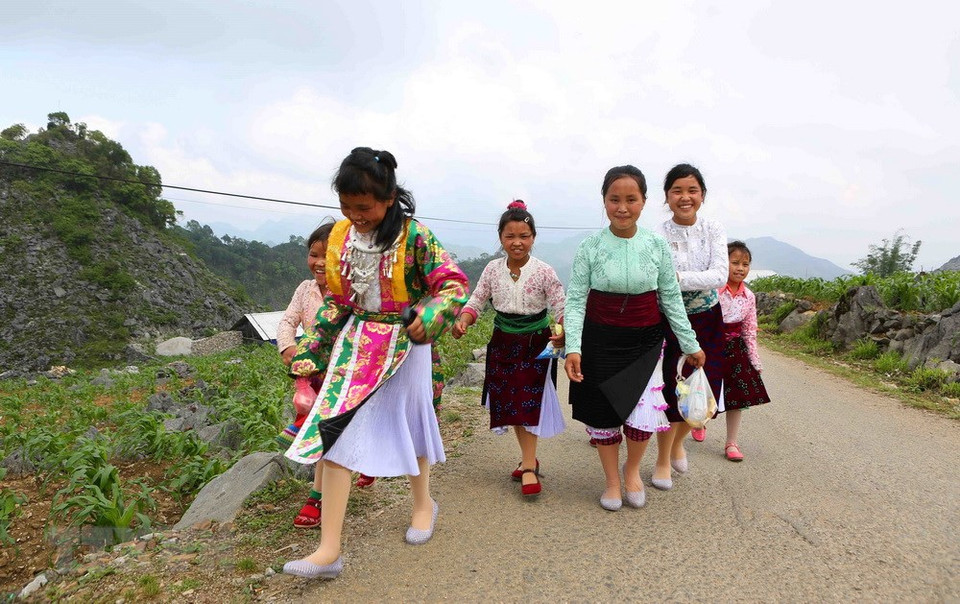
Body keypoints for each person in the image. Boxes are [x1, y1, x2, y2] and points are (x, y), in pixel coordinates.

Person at [281, 147, 469, 579]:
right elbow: (338, 300)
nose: (354, 215)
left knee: (413, 423)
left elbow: (453, 284)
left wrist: (430, 316)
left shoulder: (416, 237)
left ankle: (423, 505)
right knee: (335, 429)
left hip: (406, 344)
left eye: (363, 207)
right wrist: (313, 348)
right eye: (346, 207)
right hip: (358, 345)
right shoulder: (341, 238)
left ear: (388, 199)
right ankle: (329, 551)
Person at [564, 165, 704, 511]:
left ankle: (632, 471)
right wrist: (573, 347)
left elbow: (670, 297)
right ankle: (612, 481)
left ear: (644, 201)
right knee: (604, 414)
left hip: (644, 342)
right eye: (614, 199)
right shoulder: (591, 246)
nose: (622, 207)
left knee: (642, 414)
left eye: (631, 199)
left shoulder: (656, 245)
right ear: (604, 202)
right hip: (599, 341)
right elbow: (576, 298)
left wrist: (690, 344)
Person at [452, 200, 566, 498]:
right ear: (501, 238)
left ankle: (528, 466)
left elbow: (560, 306)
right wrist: (464, 319)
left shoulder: (544, 271)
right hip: (503, 342)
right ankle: (529, 458)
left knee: (528, 403)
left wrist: (564, 333)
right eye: (510, 236)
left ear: (533, 237)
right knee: (513, 404)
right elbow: (476, 299)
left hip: (536, 344)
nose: (517, 242)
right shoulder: (492, 269)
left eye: (524, 236)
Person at [275, 221, 376, 530]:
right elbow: (288, 320)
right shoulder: (304, 290)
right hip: (314, 374)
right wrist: (287, 348)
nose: (319, 263)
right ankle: (358, 465)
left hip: (345, 376)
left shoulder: (349, 291)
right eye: (313, 254)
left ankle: (317, 496)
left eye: (327, 256)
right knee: (325, 432)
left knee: (331, 431)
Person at [654, 163, 728, 490]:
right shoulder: (657, 235)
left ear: (702, 195)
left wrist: (678, 279)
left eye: (692, 190)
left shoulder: (713, 229)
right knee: (672, 390)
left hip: (708, 319)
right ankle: (661, 459)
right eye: (677, 191)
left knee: (705, 388)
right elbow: (659, 282)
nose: (685, 197)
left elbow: (720, 276)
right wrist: (677, 283)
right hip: (669, 320)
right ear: (667, 197)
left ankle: (678, 443)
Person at [717, 241, 771, 461]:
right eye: (735, 262)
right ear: (723, 263)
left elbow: (749, 329)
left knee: (737, 398)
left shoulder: (749, 296)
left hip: (736, 350)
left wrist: (754, 361)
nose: (740, 268)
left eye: (745, 264)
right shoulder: (713, 290)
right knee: (705, 390)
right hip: (711, 346)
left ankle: (731, 442)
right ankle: (698, 421)